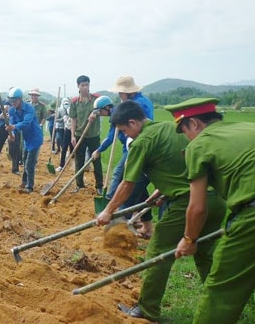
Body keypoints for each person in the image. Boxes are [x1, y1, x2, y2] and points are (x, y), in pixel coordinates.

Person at [96, 100, 226, 322]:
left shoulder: (141, 142)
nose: (126, 135)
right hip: (215, 199)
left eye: (125, 130)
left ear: (133, 122)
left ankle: (147, 309)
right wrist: (162, 190)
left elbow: (128, 184)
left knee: (158, 251)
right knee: (205, 254)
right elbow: (182, 165)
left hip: (189, 203)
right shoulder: (171, 128)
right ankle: (221, 304)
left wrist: (108, 211)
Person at [166, 98, 255, 324]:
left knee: (221, 290)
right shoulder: (247, 127)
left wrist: (189, 239)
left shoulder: (199, 144)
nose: (186, 137)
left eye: (184, 130)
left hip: (251, 217)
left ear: (194, 124)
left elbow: (197, 208)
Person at [106, 75, 155, 235]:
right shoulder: (140, 101)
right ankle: (147, 227)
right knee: (139, 188)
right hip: (137, 147)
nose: (119, 95)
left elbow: (128, 184)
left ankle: (117, 232)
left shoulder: (135, 105)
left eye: (120, 92)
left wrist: (109, 210)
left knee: (126, 186)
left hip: (137, 149)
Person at [69, 75, 103, 192]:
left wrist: (96, 113)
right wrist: (73, 135)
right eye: (82, 85)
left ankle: (99, 186)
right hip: (79, 135)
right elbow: (73, 119)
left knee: (96, 160)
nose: (85, 87)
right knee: (79, 160)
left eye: (87, 85)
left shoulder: (96, 99)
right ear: (78, 86)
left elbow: (105, 110)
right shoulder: (74, 102)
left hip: (93, 135)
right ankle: (79, 185)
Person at [6, 87, 43, 193]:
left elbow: (26, 123)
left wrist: (13, 127)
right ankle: (24, 181)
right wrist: (12, 134)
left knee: (29, 163)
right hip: (26, 138)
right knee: (25, 158)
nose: (13, 103)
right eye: (11, 101)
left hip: (35, 137)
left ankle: (29, 186)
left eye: (15, 100)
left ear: (20, 99)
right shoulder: (11, 110)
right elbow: (12, 123)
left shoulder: (29, 108)